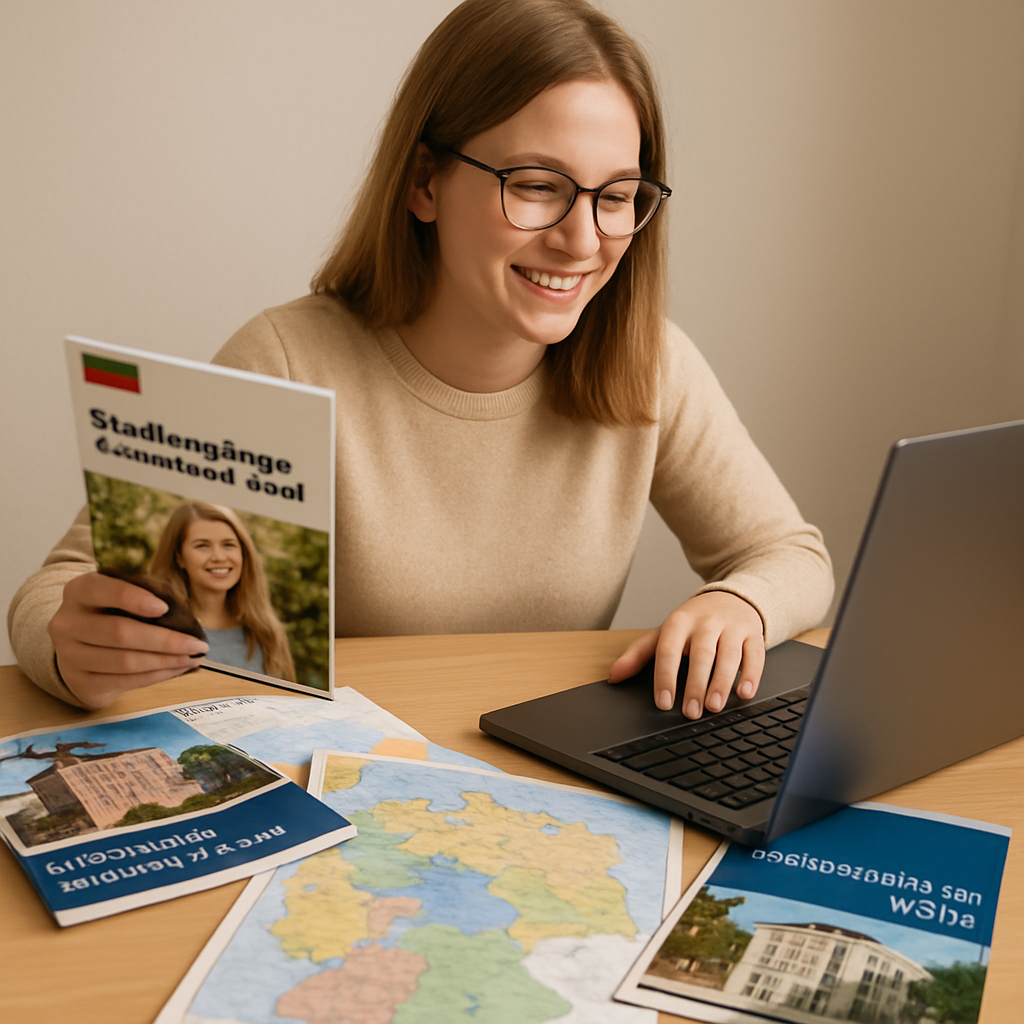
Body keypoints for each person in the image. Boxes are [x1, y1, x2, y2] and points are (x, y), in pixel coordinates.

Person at [8, 0, 832, 714]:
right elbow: (58, 590)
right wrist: (72, 646)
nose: (583, 240)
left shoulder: (644, 361)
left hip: (546, 795)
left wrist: (742, 605)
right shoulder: (289, 361)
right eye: (538, 184)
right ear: (425, 184)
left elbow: (791, 555)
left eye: (616, 197)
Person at [148, 502, 296, 683]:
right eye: (202, 546)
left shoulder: (266, 632)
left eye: (228, 545)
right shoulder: (159, 632)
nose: (218, 557)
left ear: (243, 553)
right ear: (179, 557)